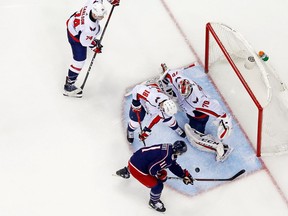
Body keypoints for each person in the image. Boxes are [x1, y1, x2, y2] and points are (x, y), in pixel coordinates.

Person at [159, 63, 233, 162]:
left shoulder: (199, 100)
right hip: (189, 112)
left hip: (199, 118)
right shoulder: (177, 79)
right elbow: (170, 74)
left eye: (186, 93)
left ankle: (221, 148)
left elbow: (214, 106)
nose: (184, 94)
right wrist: (165, 72)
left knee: (195, 140)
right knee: (171, 97)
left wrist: (224, 119)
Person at [116, 140, 193, 212]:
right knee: (158, 186)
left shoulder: (168, 147)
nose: (181, 154)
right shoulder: (167, 157)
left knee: (145, 161)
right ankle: (153, 202)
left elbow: (172, 164)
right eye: (181, 152)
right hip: (137, 169)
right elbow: (152, 170)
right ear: (178, 151)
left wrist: (183, 175)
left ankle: (126, 170)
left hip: (134, 159)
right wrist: (160, 175)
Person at [64, 0, 120, 98]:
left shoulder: (94, 3)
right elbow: (84, 42)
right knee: (80, 60)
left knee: (85, 43)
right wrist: (94, 46)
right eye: (100, 16)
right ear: (94, 14)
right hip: (75, 35)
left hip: (73, 22)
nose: (102, 17)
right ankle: (69, 85)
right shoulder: (90, 28)